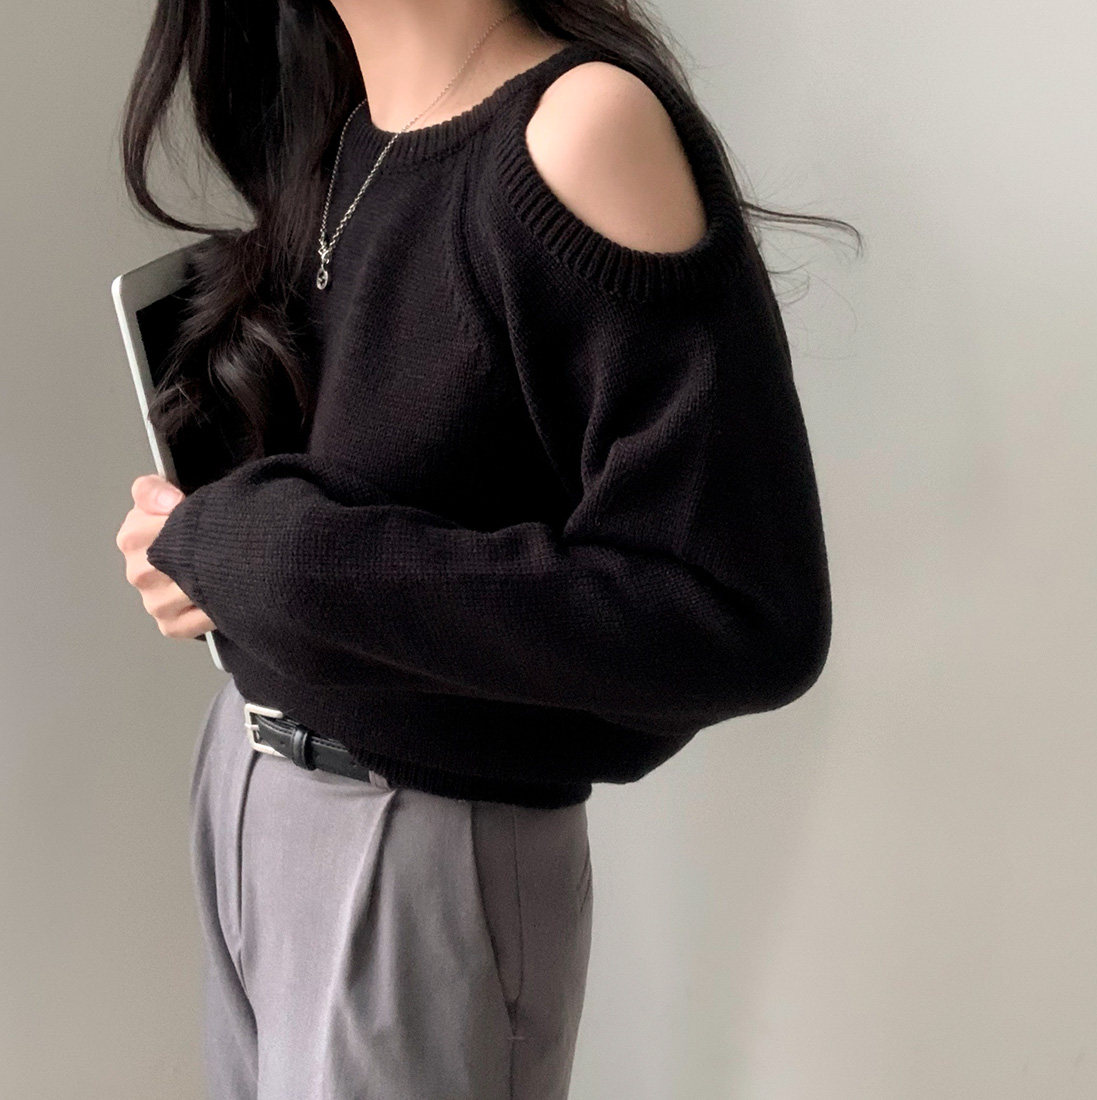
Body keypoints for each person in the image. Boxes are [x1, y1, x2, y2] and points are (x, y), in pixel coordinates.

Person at [114, 1, 855, 1096]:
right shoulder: (348, 129)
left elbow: (738, 612)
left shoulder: (580, 127)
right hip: (247, 780)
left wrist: (271, 559)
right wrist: (200, 553)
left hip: (414, 839)